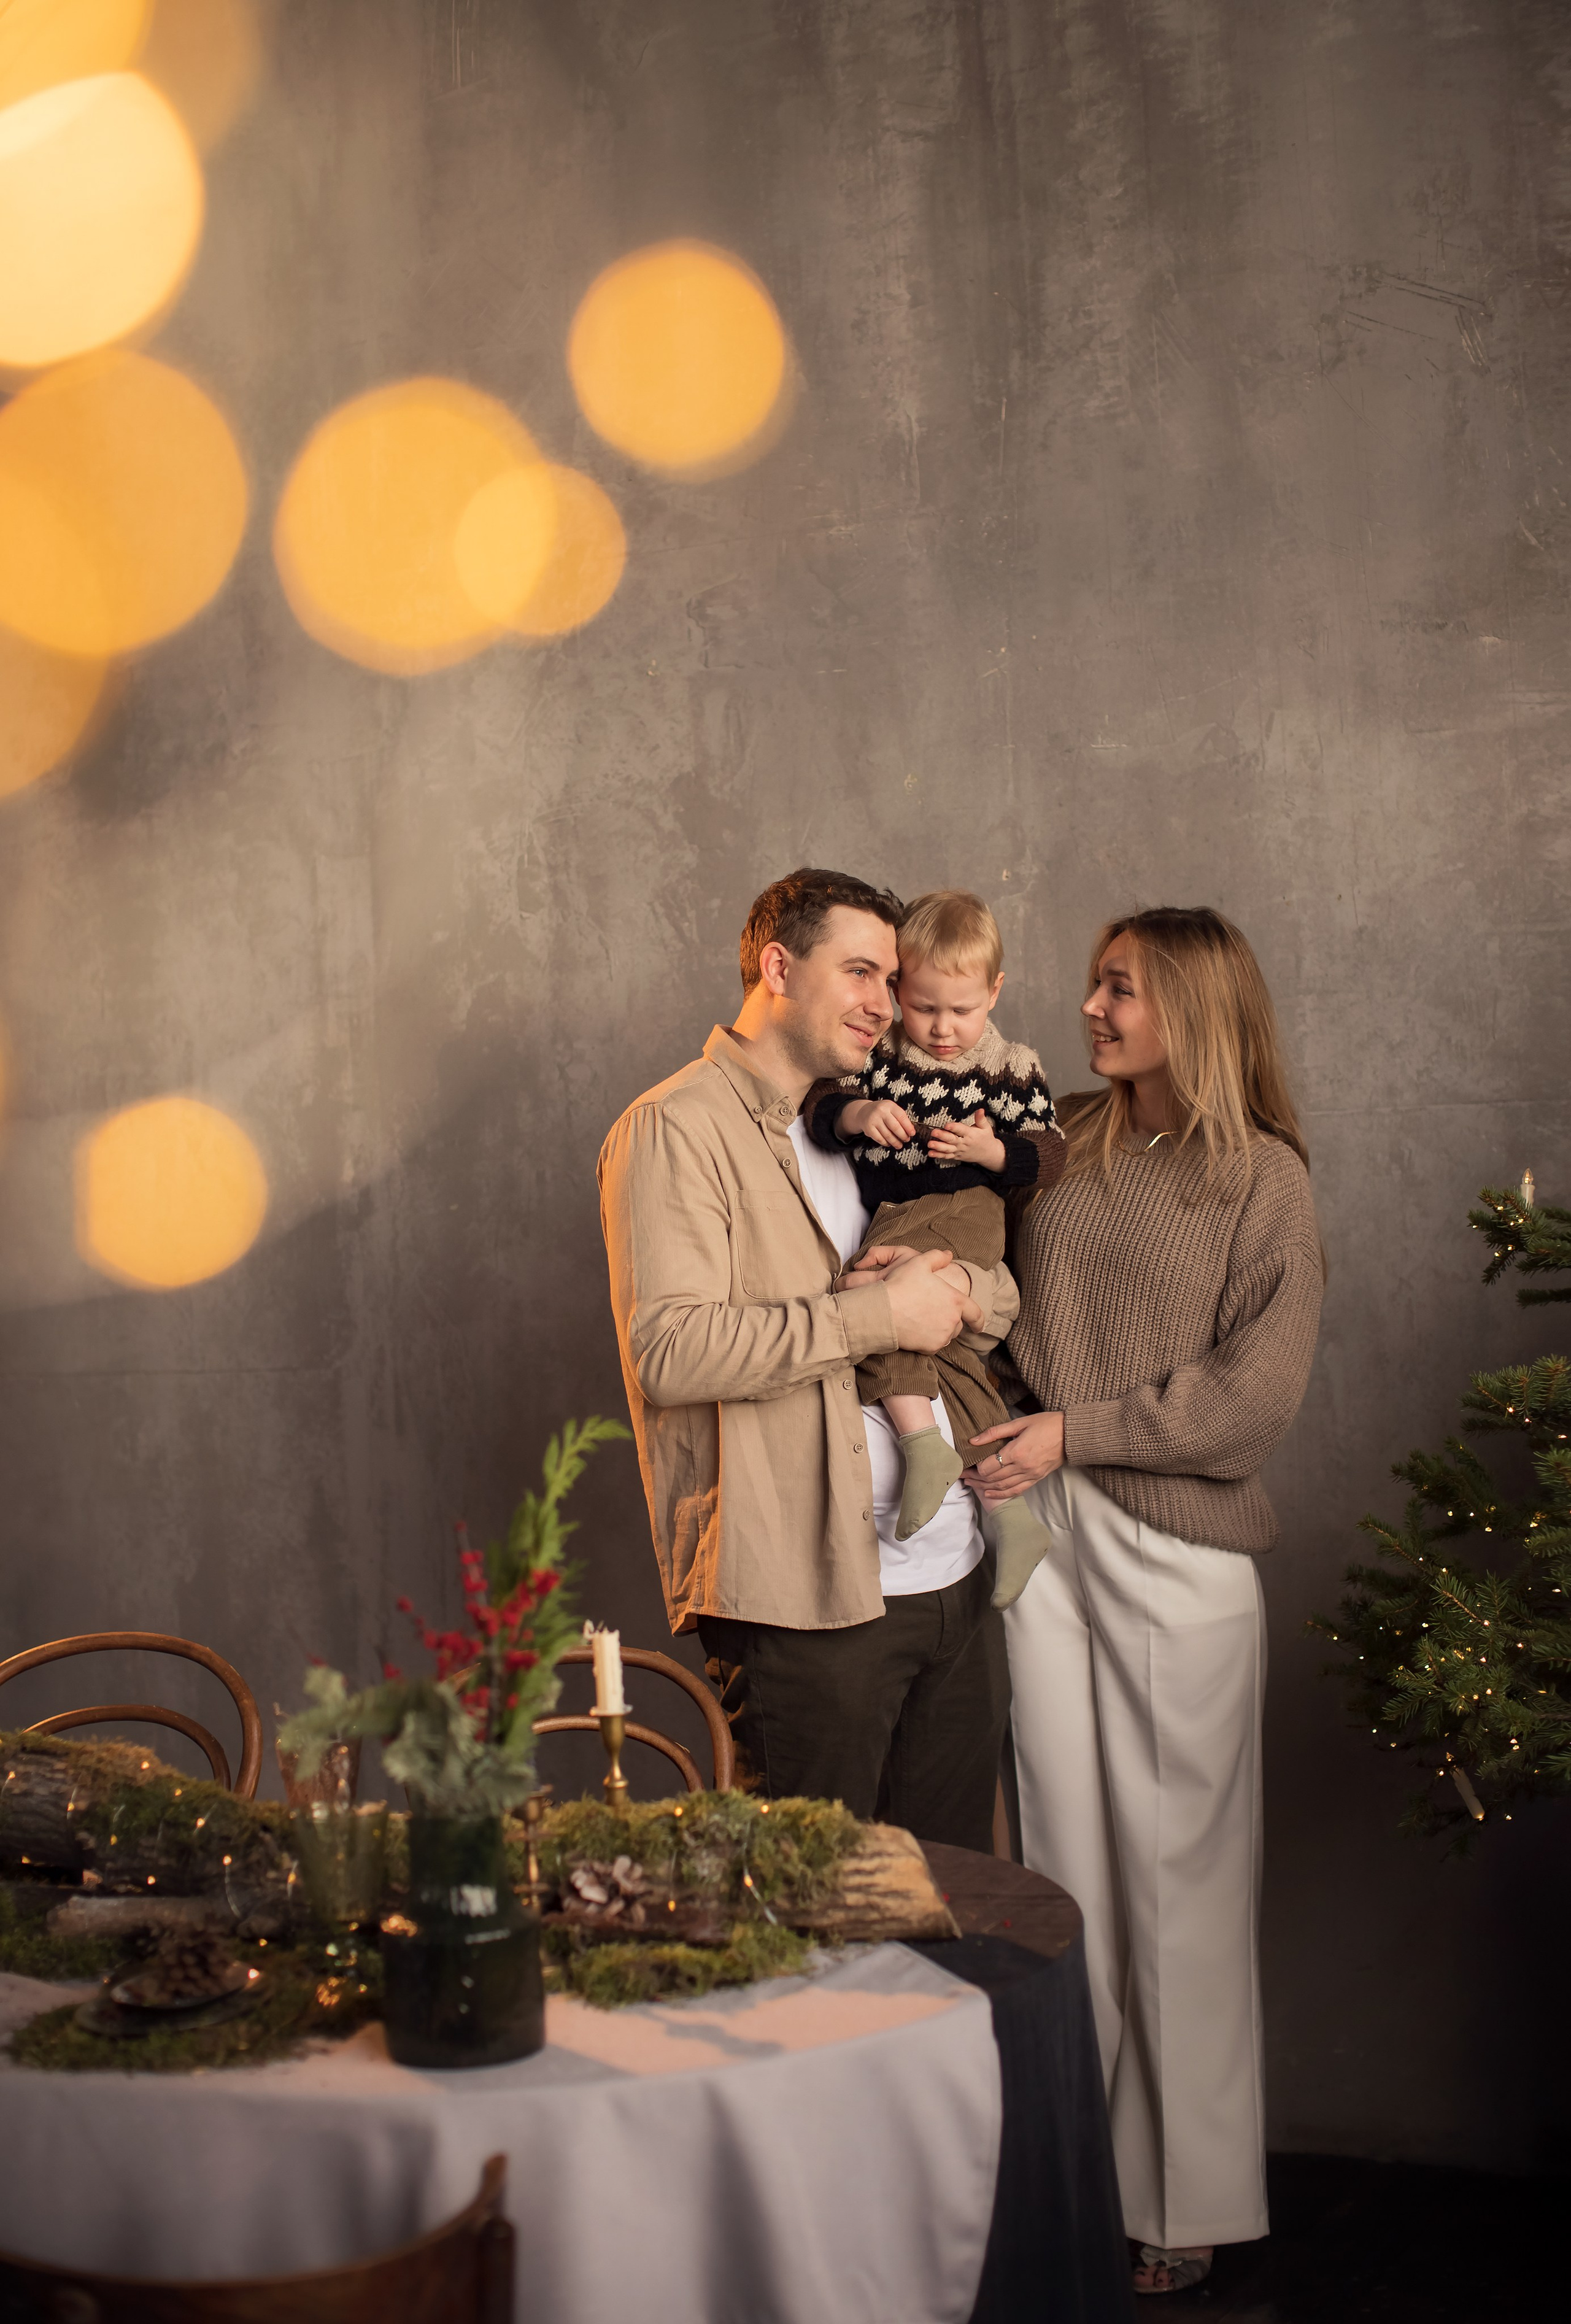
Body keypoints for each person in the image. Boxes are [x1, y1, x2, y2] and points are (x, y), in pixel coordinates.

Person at [969, 906, 1324, 2299]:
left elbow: (1250, 1406)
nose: (1092, 1003)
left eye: (1119, 986)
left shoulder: (1261, 1181)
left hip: (1177, 1545)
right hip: (1033, 1530)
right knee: (1058, 1866)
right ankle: (1072, 2188)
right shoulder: (1055, 1139)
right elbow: (978, 1298)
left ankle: (1182, 2204)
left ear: (1187, 1005)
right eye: (1094, 982)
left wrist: (1074, 1430)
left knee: (1176, 1880)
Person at [598, 867, 1018, 1850]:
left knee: (949, 1901)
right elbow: (671, 1350)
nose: (885, 1002)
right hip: (806, 1606)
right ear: (778, 966)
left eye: (894, 978)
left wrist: (960, 1290)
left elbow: (984, 1284)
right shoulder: (674, 1126)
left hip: (950, 1580)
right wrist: (878, 1313)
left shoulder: (872, 1117)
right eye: (862, 972)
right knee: (814, 1922)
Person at [803, 889, 1064, 1602]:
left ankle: (921, 1445)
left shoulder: (1010, 1066)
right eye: (924, 1008)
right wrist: (859, 1112)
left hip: (965, 1212)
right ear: (897, 991)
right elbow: (821, 1109)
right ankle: (1006, 1512)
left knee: (872, 1298)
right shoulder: (879, 1058)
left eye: (962, 1010)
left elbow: (1050, 1156)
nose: (943, 1029)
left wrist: (993, 1150)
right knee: (940, 1355)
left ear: (994, 991)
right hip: (895, 1210)